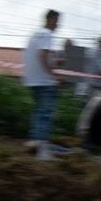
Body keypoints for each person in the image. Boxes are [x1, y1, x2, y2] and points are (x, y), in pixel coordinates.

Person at [23, 9, 63, 160]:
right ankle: (43, 151)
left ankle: (34, 142)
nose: (58, 25)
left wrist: (54, 62)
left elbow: (40, 55)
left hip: (33, 80)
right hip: (45, 81)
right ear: (51, 19)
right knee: (46, 113)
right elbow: (42, 55)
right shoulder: (47, 34)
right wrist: (54, 74)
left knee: (39, 112)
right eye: (57, 21)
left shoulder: (36, 34)